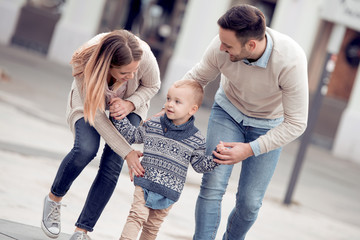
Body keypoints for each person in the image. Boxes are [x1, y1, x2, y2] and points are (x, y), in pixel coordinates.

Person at [182, 4, 309, 240]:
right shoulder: (220, 46)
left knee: (250, 203)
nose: (221, 47)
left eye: (228, 45)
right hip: (228, 112)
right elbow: (196, 78)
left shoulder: (290, 60)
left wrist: (251, 149)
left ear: (251, 45)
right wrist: (171, 105)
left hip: (269, 124)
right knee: (213, 184)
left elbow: (297, 123)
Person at [41, 29, 161, 240]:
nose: (131, 76)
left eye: (134, 71)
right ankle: (54, 199)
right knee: (85, 149)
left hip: (130, 102)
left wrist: (131, 103)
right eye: (125, 73)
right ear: (109, 66)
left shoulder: (144, 56)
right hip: (90, 103)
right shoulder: (85, 61)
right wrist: (128, 152)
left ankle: (82, 231)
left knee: (112, 164)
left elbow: (153, 84)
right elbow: (97, 118)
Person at [112, 79, 222, 240]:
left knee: (152, 228)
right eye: (169, 99)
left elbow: (199, 166)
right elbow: (133, 135)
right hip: (145, 181)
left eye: (177, 102)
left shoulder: (197, 139)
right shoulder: (153, 124)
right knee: (136, 216)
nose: (170, 104)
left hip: (169, 191)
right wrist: (119, 116)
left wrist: (217, 157)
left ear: (192, 109)